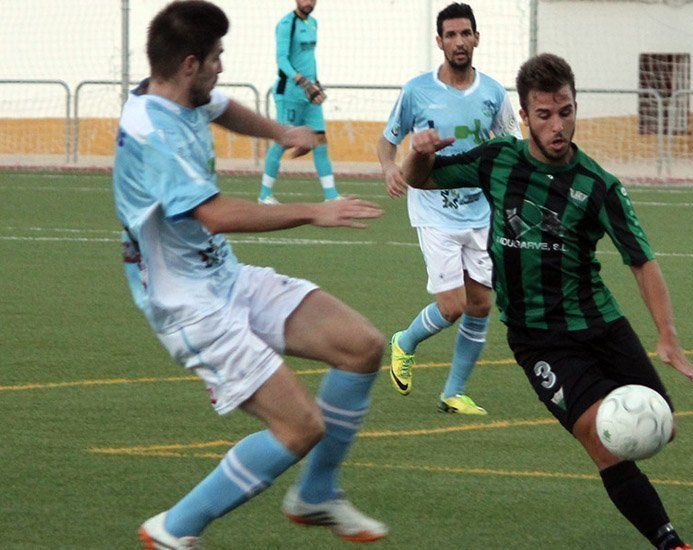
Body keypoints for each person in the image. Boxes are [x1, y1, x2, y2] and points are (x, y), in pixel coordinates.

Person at [399, 53, 693, 550]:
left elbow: (641, 260)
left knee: (659, 427)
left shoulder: (598, 185)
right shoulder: (498, 160)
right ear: (524, 118)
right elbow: (420, 178)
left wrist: (667, 335)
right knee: (605, 441)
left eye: (565, 111)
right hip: (539, 338)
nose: (557, 125)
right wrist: (419, 151)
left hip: (601, 324)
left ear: (576, 107)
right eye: (544, 114)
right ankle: (670, 542)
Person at [113, 2, 388, 546]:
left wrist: (283, 131)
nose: (221, 67)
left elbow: (222, 107)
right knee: (299, 426)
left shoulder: (169, 88)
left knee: (361, 345)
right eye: (215, 58)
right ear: (190, 63)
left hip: (224, 278)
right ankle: (173, 529)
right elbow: (214, 213)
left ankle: (315, 494)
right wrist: (314, 210)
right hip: (188, 305)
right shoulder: (152, 133)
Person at [377, 2, 522, 415]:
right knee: (452, 306)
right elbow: (387, 139)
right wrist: (390, 167)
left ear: (477, 37)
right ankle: (405, 341)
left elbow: (510, 145)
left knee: (480, 304)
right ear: (439, 41)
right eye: (451, 35)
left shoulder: (493, 93)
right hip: (435, 212)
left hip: (481, 213)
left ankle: (453, 393)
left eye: (466, 33)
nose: (459, 42)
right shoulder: (417, 90)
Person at [258, 0, 339, 204]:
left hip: (310, 94)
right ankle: (264, 194)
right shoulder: (287, 24)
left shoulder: (313, 23)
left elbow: (309, 59)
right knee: (284, 140)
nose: (309, 2)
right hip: (291, 93)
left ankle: (331, 196)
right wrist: (301, 81)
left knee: (320, 140)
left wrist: (316, 83)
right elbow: (282, 60)